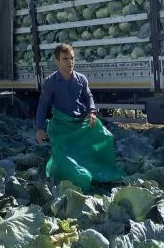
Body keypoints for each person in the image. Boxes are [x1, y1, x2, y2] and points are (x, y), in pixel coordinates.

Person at [36, 43, 123, 189]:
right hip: (61, 126)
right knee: (65, 158)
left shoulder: (81, 79)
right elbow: (43, 106)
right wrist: (39, 128)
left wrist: (92, 112)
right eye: (65, 59)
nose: (70, 62)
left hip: (81, 123)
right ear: (56, 61)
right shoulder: (50, 83)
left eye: (72, 58)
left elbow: (88, 97)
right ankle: (69, 176)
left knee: (106, 136)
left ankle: (99, 172)